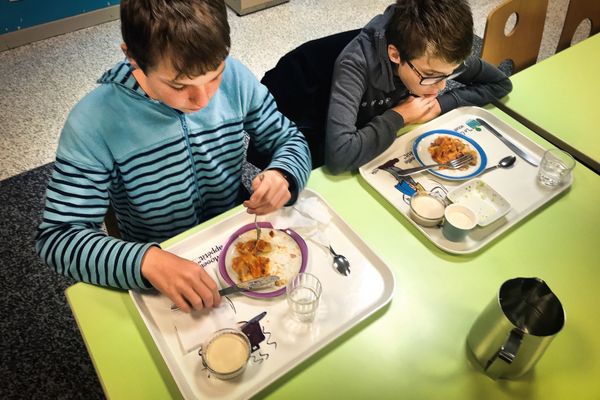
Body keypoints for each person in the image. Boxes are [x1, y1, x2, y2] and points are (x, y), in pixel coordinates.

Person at [35, 0, 311, 313]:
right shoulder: (93, 122)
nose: (203, 99)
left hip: (237, 237)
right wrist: (146, 261)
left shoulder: (235, 77)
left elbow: (289, 138)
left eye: (214, 76)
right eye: (179, 85)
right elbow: (58, 239)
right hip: (162, 256)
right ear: (133, 57)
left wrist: (284, 174)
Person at [325, 0, 513, 174]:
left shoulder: (438, 54)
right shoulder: (355, 64)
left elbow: (500, 83)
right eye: (430, 76)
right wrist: (401, 116)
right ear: (395, 55)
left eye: (451, 74)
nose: (441, 86)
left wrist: (440, 104)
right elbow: (339, 156)